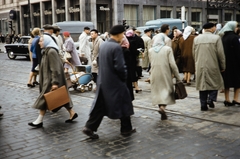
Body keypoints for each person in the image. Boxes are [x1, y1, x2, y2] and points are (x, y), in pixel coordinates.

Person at [82, 25, 135, 139]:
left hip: (103, 81)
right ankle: (126, 129)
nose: (123, 36)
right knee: (124, 104)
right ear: (119, 34)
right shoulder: (116, 47)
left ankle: (89, 127)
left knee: (100, 106)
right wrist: (124, 78)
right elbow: (120, 67)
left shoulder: (104, 45)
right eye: (123, 34)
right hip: (115, 82)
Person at [28, 35, 78, 128]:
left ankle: (39, 120)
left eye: (41, 41)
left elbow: (55, 69)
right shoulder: (46, 51)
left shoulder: (51, 52)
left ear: (46, 41)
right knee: (61, 97)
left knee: (44, 98)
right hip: (48, 78)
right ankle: (72, 113)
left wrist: (55, 83)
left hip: (51, 80)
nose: (39, 43)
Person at [192, 23, 225, 111]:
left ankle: (203, 104)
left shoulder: (196, 39)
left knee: (202, 85)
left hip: (200, 65)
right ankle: (211, 99)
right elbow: (220, 54)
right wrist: (223, 65)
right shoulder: (216, 38)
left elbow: (193, 53)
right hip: (213, 64)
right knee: (215, 83)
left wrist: (197, 63)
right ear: (212, 28)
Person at [149, 33, 181, 120]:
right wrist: (178, 76)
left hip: (155, 74)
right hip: (166, 73)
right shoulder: (167, 49)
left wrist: (150, 74)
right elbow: (173, 64)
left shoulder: (151, 50)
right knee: (166, 91)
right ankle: (162, 108)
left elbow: (151, 63)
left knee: (158, 92)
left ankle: (161, 108)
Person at [218, 21, 240, 106]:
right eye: (236, 27)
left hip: (225, 62)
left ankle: (227, 99)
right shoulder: (235, 37)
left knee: (226, 82)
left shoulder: (223, 37)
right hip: (235, 63)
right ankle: (236, 98)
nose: (237, 28)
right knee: (237, 82)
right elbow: (238, 51)